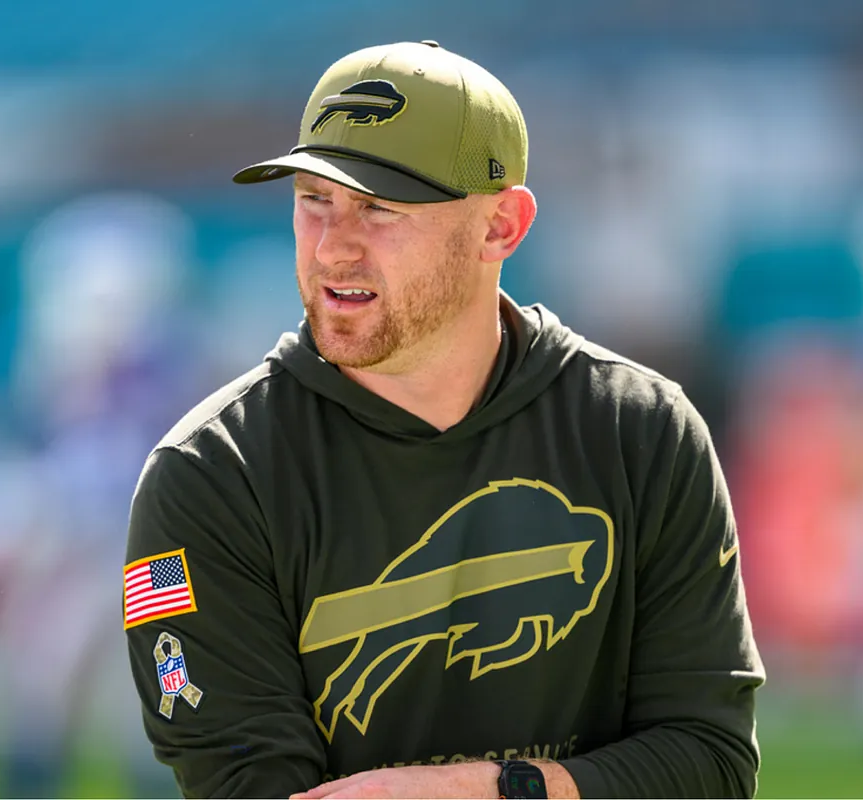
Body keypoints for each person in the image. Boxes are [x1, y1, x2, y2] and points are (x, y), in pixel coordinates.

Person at [124, 40, 765, 799]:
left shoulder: (646, 433)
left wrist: (488, 790)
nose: (332, 248)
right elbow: (246, 785)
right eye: (313, 200)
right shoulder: (206, 476)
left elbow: (711, 764)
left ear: (501, 226)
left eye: (380, 208)